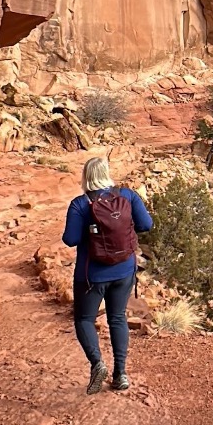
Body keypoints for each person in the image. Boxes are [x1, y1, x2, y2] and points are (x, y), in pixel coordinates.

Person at [62, 156, 153, 395]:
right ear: (107, 173)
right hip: (124, 270)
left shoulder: (80, 204)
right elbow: (146, 224)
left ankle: (97, 363)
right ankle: (120, 374)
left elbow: (70, 239)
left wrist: (91, 232)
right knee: (117, 318)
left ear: (86, 177)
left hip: (91, 274)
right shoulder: (128, 196)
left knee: (84, 319)